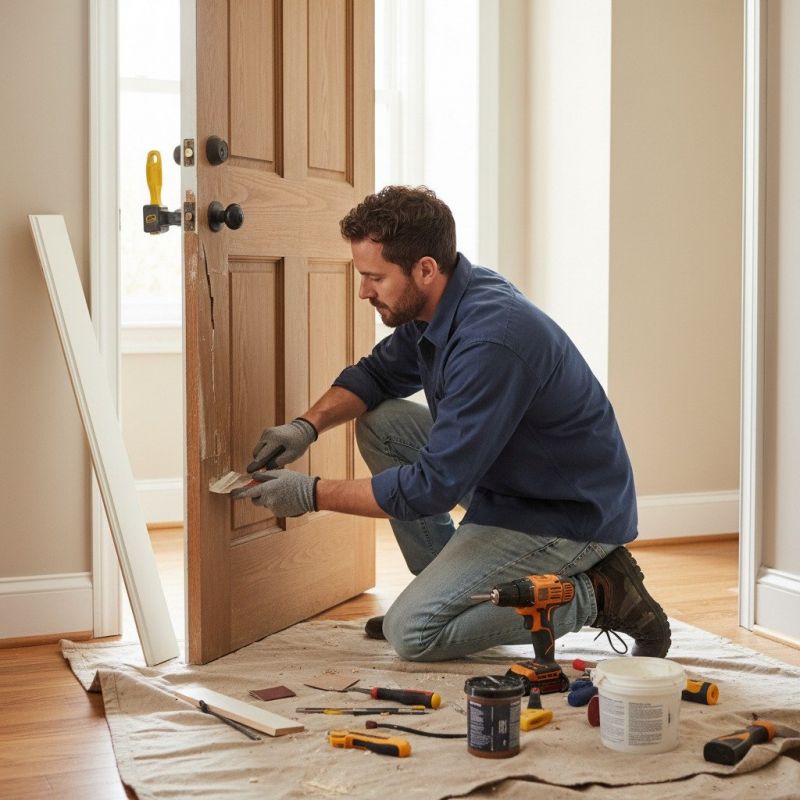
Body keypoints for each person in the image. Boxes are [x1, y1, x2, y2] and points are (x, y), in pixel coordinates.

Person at [232, 185, 670, 663]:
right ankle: (446, 594)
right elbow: (376, 376)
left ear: (424, 268)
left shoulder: (492, 340)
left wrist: (309, 493)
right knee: (383, 422)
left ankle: (601, 593)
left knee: (412, 634)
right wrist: (305, 427)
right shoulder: (435, 303)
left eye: (375, 277)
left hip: (565, 512)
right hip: (507, 481)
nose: (363, 291)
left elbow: (431, 488)